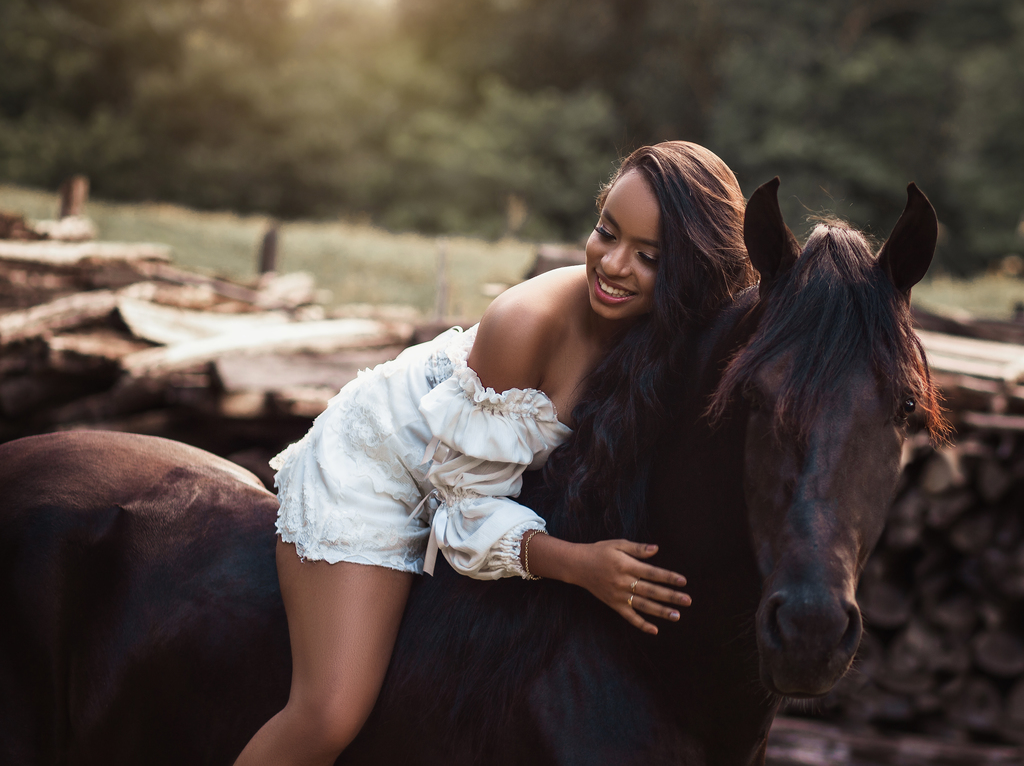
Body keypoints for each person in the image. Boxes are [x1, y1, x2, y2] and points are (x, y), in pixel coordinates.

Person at [233, 142, 755, 766]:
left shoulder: (677, 335)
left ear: (696, 271)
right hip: (384, 469)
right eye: (604, 233)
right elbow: (465, 512)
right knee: (329, 713)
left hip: (482, 478)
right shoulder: (525, 322)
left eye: (649, 256)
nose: (613, 265)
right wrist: (580, 565)